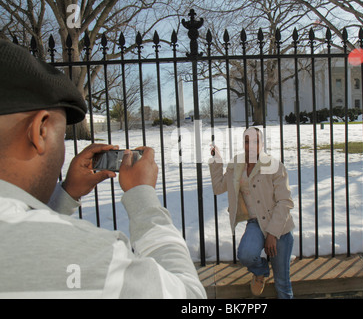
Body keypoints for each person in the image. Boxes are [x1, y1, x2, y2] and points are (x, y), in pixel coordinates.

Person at [0, 39, 206, 299]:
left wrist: (66, 194)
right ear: (40, 130)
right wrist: (143, 196)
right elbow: (189, 297)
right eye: (61, 135)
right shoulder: (88, 256)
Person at [209, 127, 295, 299]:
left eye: (256, 141)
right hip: (255, 223)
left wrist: (272, 234)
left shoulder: (275, 166)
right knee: (245, 255)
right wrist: (216, 161)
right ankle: (261, 271)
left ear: (262, 144)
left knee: (282, 283)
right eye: (247, 141)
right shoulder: (236, 166)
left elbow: (285, 202)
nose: (251, 145)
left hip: (279, 228)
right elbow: (219, 187)